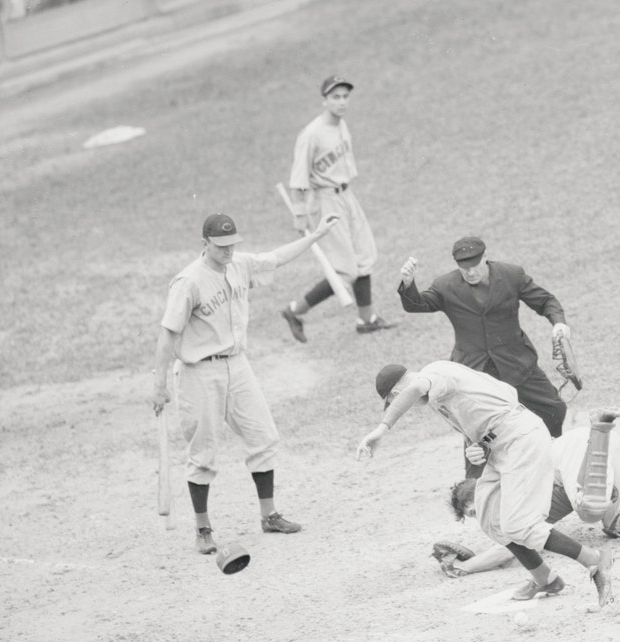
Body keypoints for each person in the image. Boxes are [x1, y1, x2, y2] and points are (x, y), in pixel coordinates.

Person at [150, 211, 340, 555]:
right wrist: (159, 383)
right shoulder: (188, 282)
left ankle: (269, 516)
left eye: (231, 244)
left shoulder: (240, 264)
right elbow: (167, 335)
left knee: (263, 437)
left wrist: (316, 236)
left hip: (237, 366)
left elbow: (277, 258)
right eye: (220, 246)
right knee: (203, 453)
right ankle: (203, 529)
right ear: (205, 243)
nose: (227, 251)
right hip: (199, 372)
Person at [356, 361, 615, 605]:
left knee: (519, 525)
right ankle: (545, 580)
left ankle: (594, 560)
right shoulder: (444, 393)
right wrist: (477, 445)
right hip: (501, 447)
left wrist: (382, 429)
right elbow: (507, 393)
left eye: (393, 400)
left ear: (397, 391)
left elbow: (415, 388)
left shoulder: (435, 374)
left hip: (520, 441)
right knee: (491, 519)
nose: (404, 403)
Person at [432, 412, 620, 577]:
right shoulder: (523, 495)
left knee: (588, 510)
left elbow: (508, 548)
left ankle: (598, 437)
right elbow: (511, 546)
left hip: (578, 452)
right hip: (608, 447)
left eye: (476, 509)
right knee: (614, 525)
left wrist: (465, 567)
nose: (483, 515)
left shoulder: (515, 494)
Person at [398, 236, 572, 477]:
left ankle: (548, 456)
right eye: (463, 268)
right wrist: (408, 284)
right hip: (473, 372)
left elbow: (545, 301)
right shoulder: (446, 285)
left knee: (554, 409)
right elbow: (417, 305)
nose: (469, 272)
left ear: (485, 258)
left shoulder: (511, 275)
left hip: (516, 362)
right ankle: (473, 489)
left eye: (474, 266)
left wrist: (559, 324)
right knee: (476, 431)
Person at [280, 74, 396, 342]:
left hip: (347, 196)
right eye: (336, 97)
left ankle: (367, 319)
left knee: (364, 256)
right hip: (325, 201)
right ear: (325, 100)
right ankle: (293, 311)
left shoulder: (341, 124)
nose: (342, 102)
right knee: (345, 270)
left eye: (345, 97)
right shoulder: (311, 135)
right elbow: (298, 179)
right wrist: (300, 214)